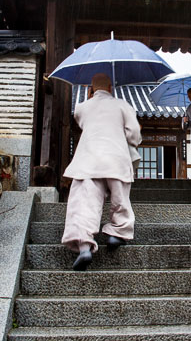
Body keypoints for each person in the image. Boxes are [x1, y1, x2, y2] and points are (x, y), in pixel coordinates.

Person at [61, 73, 142, 270]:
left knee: (84, 203)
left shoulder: (82, 107)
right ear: (110, 88)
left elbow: (82, 122)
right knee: (120, 200)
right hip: (116, 159)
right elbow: (134, 134)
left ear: (91, 89)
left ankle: (84, 246)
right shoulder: (123, 105)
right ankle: (116, 234)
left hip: (88, 160)